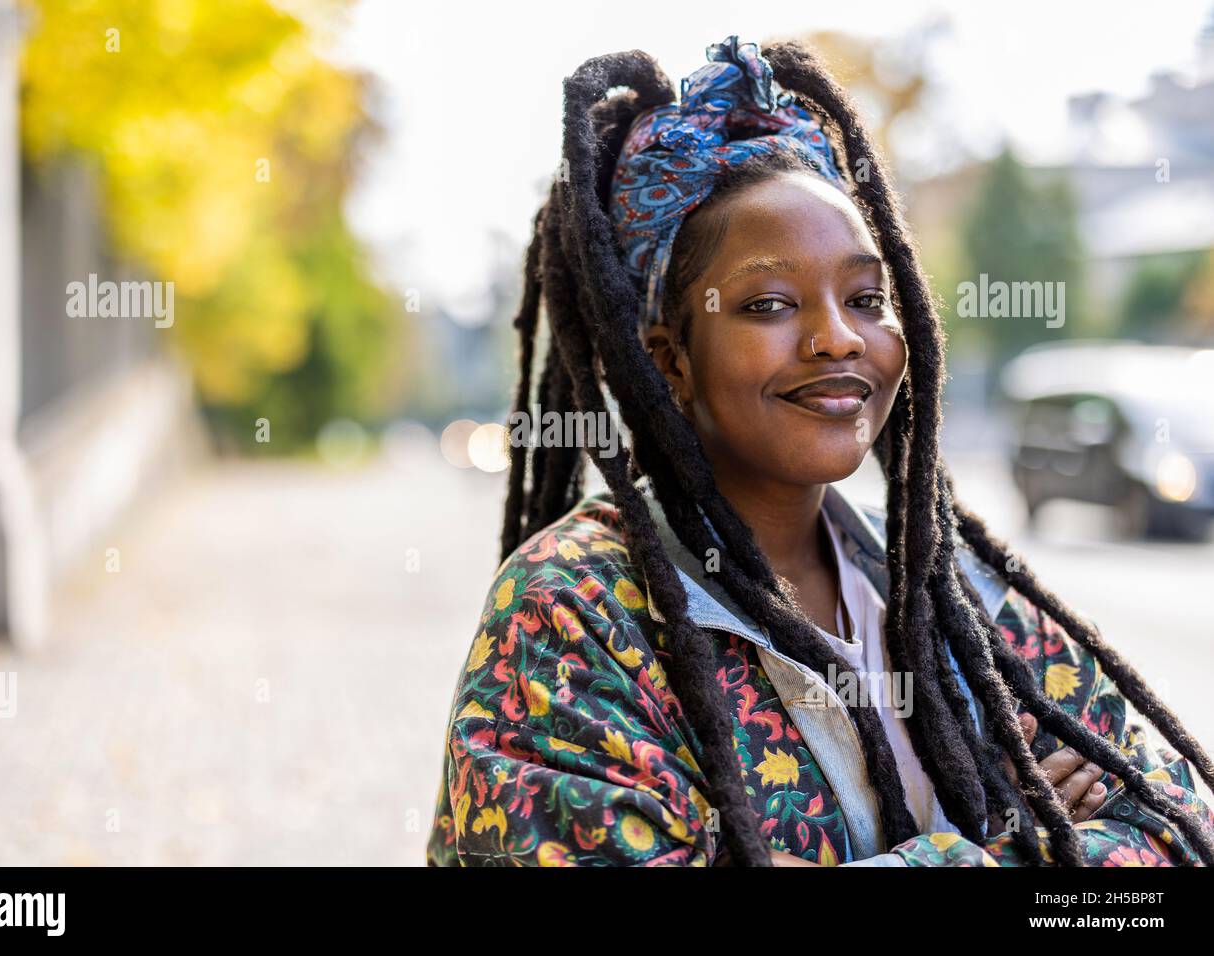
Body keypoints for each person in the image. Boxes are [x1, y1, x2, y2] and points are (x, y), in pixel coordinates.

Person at [425, 35, 1214, 866]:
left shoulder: (951, 593)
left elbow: (1171, 832)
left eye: (867, 297)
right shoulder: (569, 612)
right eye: (769, 304)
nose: (838, 339)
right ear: (671, 360)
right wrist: (994, 849)